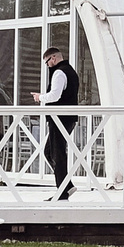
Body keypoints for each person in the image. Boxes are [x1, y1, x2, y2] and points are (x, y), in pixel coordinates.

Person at [40, 44, 79, 201]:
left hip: (60, 118)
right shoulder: (71, 72)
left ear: (53, 58)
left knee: (57, 153)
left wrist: (40, 97)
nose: (47, 65)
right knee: (50, 152)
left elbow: (55, 96)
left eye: (47, 61)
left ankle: (62, 193)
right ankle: (67, 186)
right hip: (67, 118)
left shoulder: (59, 73)